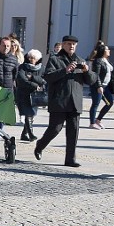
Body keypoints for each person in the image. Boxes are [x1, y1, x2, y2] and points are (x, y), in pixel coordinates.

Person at [33, 35, 97, 167]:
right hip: (59, 100)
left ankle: (70, 159)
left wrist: (87, 71)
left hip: (75, 101)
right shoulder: (55, 59)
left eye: (73, 44)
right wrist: (65, 70)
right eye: (68, 44)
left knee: (73, 131)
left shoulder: (80, 60)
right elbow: (48, 77)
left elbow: (92, 80)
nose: (71, 46)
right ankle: (40, 145)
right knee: (55, 129)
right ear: (63, 45)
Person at [15, 49, 46, 141]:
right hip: (23, 94)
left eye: (33, 58)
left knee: (32, 115)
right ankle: (31, 133)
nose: (31, 59)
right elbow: (22, 79)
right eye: (29, 57)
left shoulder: (41, 68)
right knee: (28, 113)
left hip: (35, 95)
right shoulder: (22, 67)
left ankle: (24, 134)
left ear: (38, 59)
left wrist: (33, 78)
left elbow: (44, 80)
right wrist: (34, 85)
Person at [88, 42, 114, 129]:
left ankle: (98, 120)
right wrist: (99, 86)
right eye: (107, 49)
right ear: (103, 51)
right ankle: (92, 123)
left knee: (109, 102)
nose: (109, 51)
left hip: (105, 86)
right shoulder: (98, 61)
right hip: (98, 86)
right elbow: (96, 75)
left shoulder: (105, 60)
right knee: (96, 103)